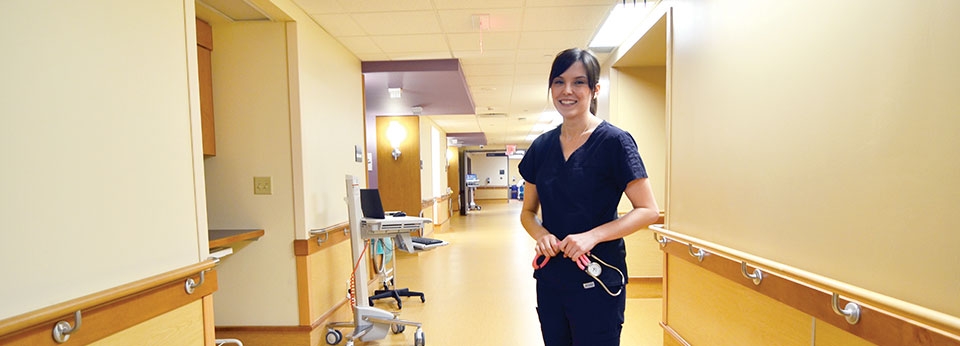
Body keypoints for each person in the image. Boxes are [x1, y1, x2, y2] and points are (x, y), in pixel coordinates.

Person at [519, 48, 660, 346]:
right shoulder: (541, 147)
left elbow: (648, 210)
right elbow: (528, 212)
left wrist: (592, 236)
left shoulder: (614, 142)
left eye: (578, 82)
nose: (567, 91)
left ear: (595, 89)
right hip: (552, 278)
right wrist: (541, 234)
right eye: (559, 81)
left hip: (597, 273)